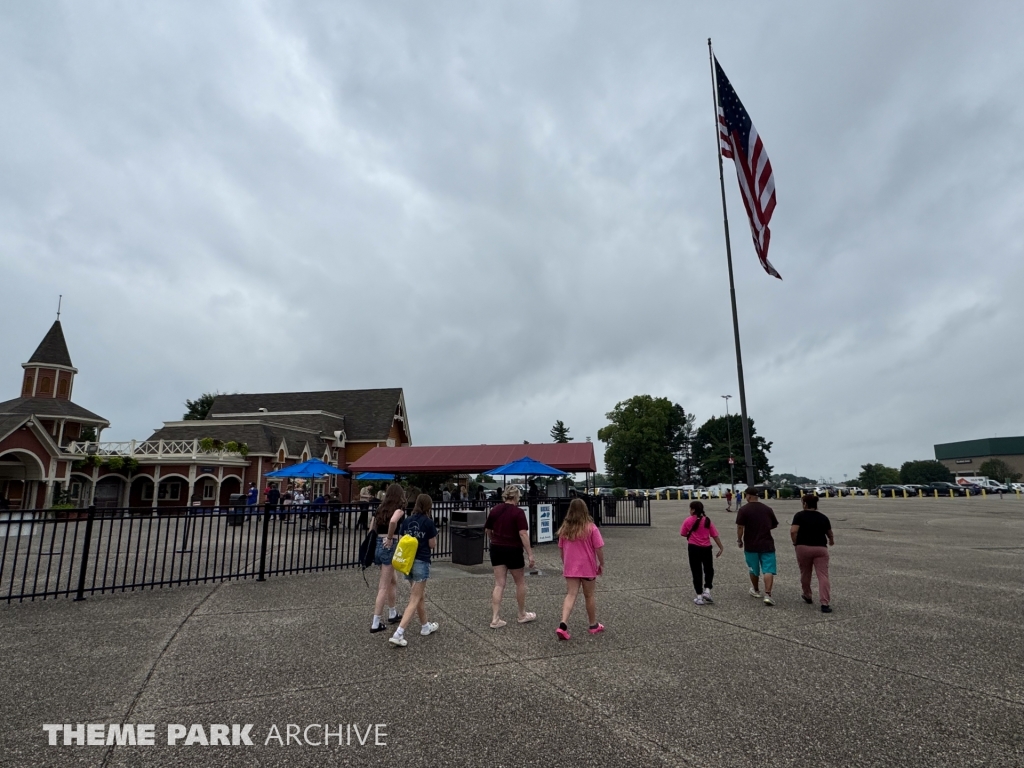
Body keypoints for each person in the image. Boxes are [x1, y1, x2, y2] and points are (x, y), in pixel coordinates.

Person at [389, 494, 440, 647]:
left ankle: (425, 626)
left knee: (419, 596)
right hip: (421, 561)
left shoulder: (407, 521)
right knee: (414, 598)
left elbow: (403, 539)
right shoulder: (428, 522)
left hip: (409, 561)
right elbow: (432, 544)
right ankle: (399, 633)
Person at [484, 485, 536, 628]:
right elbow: (523, 533)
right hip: (513, 549)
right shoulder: (518, 512)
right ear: (516, 497)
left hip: (496, 548)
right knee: (520, 582)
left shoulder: (495, 510)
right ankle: (521, 614)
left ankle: (495, 618)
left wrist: (493, 538)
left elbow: (488, 529)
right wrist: (530, 553)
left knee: (499, 584)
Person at [556, 498, 605, 639]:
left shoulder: (565, 529)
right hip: (587, 566)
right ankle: (593, 625)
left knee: (571, 594)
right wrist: (601, 563)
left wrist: (565, 562)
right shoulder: (591, 527)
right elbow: (599, 548)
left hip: (571, 567)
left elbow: (561, 550)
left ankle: (563, 624)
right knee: (589, 595)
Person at [371, 483, 406, 633]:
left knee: (393, 580)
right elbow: (393, 521)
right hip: (389, 545)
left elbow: (371, 527)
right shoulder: (399, 510)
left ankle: (393, 612)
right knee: (383, 586)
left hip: (378, 544)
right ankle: (376, 622)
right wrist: (391, 537)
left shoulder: (380, 509)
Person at [791, 494, 835, 613]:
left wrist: (795, 543)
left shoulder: (799, 516)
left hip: (803, 547)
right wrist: (831, 541)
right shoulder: (823, 517)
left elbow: (793, 531)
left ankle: (807, 595)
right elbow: (829, 533)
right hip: (820, 548)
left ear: (804, 503)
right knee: (823, 575)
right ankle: (824, 603)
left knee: (805, 572)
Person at [736, 486, 779, 606]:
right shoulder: (767, 509)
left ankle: (756, 589)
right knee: (768, 569)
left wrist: (739, 540)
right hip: (767, 543)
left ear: (748, 496)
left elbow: (740, 527)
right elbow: (773, 524)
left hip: (751, 544)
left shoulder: (744, 510)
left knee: (753, 569)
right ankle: (768, 594)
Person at [681, 501, 724, 605]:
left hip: (693, 548)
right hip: (706, 548)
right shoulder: (707, 521)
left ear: (693, 510)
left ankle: (699, 596)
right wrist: (721, 547)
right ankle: (707, 590)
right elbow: (715, 535)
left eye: (690, 508)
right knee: (709, 569)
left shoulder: (687, 520)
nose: (689, 510)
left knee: (696, 571)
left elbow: (683, 533)